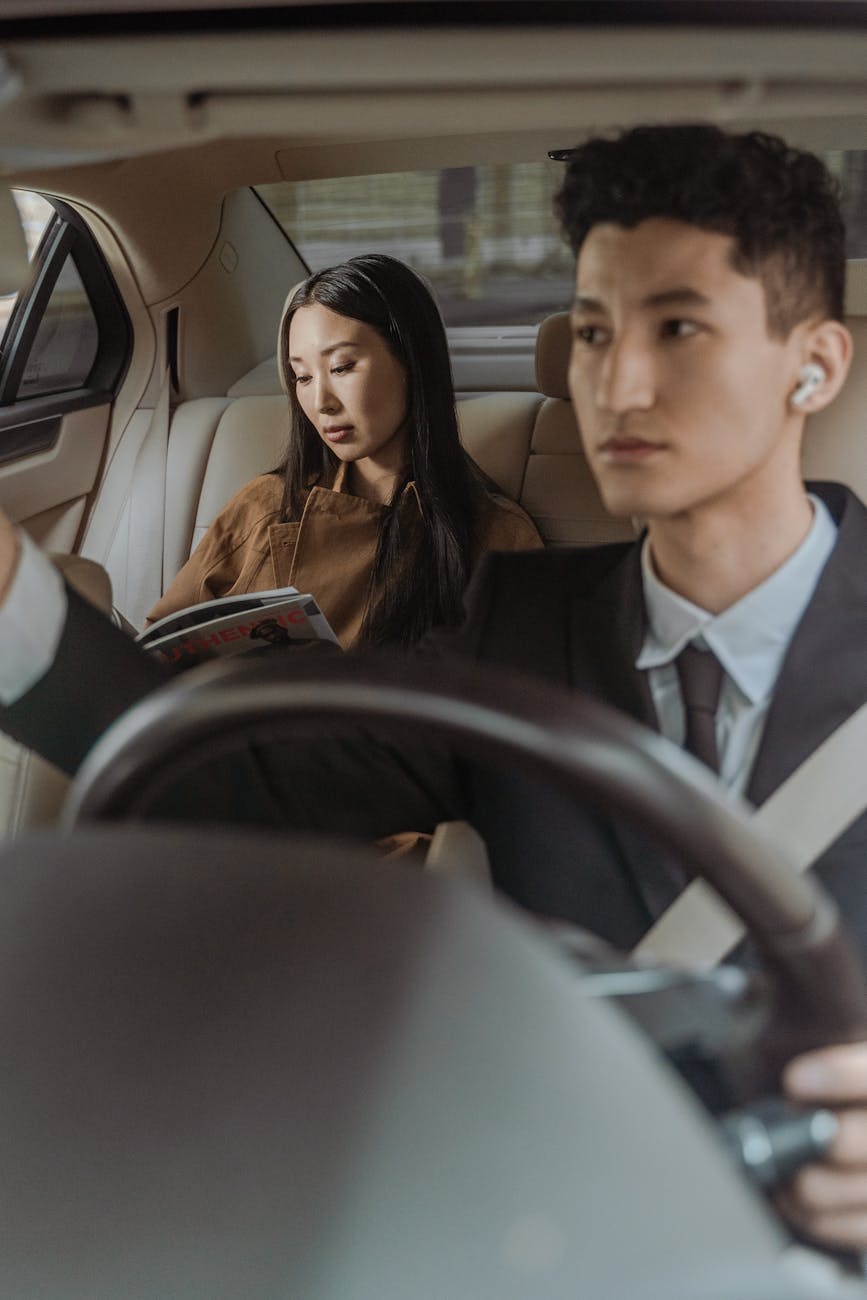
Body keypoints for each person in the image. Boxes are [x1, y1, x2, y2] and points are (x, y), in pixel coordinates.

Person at [1, 124, 866, 1253]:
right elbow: (237, 775)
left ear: (816, 363)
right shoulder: (511, 622)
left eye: (680, 327)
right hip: (544, 1207)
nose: (617, 380)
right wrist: (15, 598)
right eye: (594, 331)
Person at [144, 253, 541, 650]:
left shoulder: (497, 535)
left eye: (342, 367)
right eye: (301, 376)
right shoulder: (263, 507)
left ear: (411, 360)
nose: (321, 402)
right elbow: (161, 648)